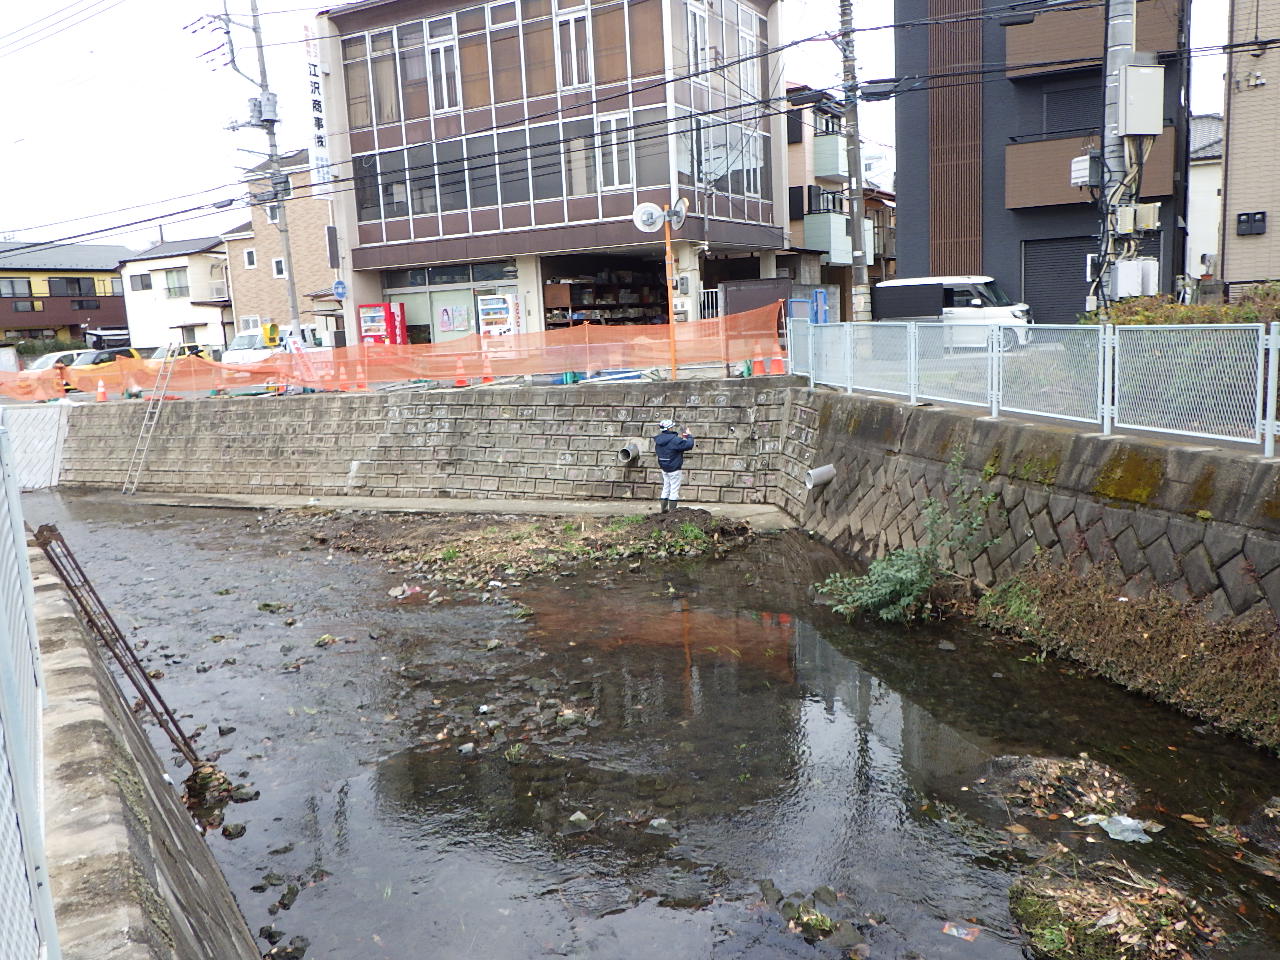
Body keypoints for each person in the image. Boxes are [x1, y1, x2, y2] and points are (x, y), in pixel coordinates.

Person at [653, 418, 695, 512]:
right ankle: (672, 513)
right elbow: (689, 445)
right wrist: (689, 435)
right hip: (674, 469)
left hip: (664, 468)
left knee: (666, 488)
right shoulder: (675, 440)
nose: (673, 428)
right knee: (674, 490)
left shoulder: (658, 440)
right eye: (672, 427)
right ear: (669, 428)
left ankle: (663, 511)